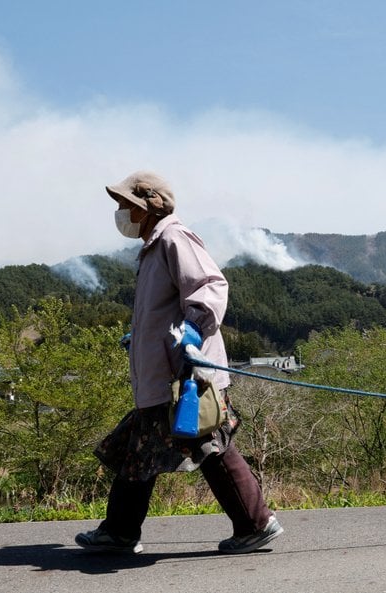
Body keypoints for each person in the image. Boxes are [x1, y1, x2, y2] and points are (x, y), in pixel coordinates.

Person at [75, 171, 282, 554]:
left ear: (146, 207)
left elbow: (210, 285)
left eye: (125, 205)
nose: (120, 213)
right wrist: (141, 337)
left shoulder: (173, 237)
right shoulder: (154, 246)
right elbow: (163, 308)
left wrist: (194, 329)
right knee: (146, 448)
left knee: (203, 444)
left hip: (184, 376)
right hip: (166, 374)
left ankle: (255, 524)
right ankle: (121, 532)